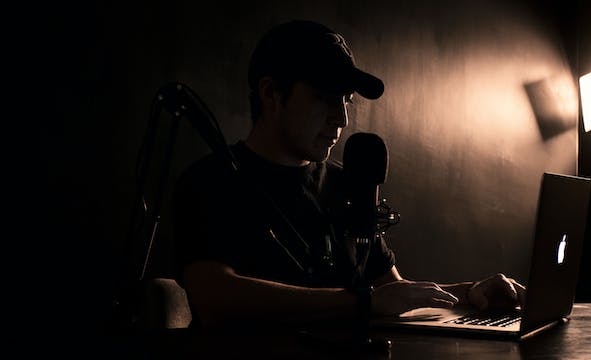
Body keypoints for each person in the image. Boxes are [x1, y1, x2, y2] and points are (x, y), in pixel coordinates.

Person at [172, 20, 525, 328]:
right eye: (325, 98)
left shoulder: (348, 184)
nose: (341, 119)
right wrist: (363, 303)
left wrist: (469, 293)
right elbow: (214, 299)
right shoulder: (213, 180)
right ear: (271, 93)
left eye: (346, 101)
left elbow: (394, 294)